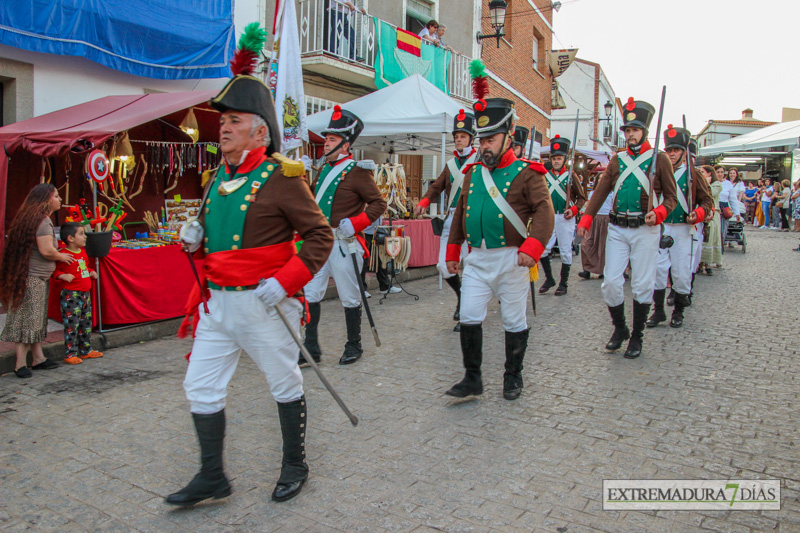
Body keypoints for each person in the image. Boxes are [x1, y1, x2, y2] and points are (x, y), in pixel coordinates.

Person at [167, 44, 334, 506]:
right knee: (199, 385)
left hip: (265, 303)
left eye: (233, 120)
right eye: (222, 121)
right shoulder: (217, 178)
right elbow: (217, 242)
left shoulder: (284, 176)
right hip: (219, 304)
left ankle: (295, 464)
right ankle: (211, 477)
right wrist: (195, 239)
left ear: (259, 130)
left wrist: (285, 283)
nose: (223, 127)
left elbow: (320, 237)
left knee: (284, 383)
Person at [444, 97, 554, 401]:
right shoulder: (472, 173)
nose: (485, 147)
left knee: (514, 320)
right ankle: (472, 378)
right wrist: (453, 250)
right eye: (482, 140)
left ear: (509, 136)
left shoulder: (529, 173)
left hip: (512, 259)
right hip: (477, 258)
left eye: (491, 139)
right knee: (468, 315)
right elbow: (460, 212)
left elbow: (545, 212)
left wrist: (532, 247)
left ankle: (512, 376)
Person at [576, 97, 677, 359]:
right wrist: (586, 218)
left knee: (642, 285)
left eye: (634, 130)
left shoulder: (660, 159)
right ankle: (620, 329)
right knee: (610, 282)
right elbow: (601, 191)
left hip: (645, 228)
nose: (630, 134)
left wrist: (660, 211)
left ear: (644, 131)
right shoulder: (617, 160)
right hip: (618, 227)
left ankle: (637, 336)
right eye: (627, 130)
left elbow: (671, 197)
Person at [302, 105, 387, 366]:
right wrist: (301, 179)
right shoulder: (324, 169)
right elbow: (314, 204)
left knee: (349, 296)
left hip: (343, 242)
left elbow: (378, 204)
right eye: (326, 139)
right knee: (310, 292)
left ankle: (354, 344)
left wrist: (357, 222)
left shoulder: (358, 171)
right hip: (319, 242)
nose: (325, 143)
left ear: (345, 146)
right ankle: (311, 347)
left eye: (331, 140)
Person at [414, 109, 477, 332]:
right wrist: (423, 202)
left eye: (463, 135)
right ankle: (461, 297)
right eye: (456, 136)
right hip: (451, 219)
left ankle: (467, 315)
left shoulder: (479, 162)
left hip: (472, 220)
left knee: (469, 267)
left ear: (471, 137)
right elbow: (436, 186)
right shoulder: (450, 165)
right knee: (443, 265)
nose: (459, 139)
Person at [0, 183, 72, 378]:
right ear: (47, 199)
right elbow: (47, 250)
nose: (59, 199)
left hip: (34, 276)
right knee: (27, 320)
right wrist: (62, 257)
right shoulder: (42, 222)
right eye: (56, 196)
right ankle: (20, 364)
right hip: (33, 278)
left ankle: (38, 357)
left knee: (37, 319)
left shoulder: (34, 219)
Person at [647, 125, 712, 329]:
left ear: (684, 153)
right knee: (657, 270)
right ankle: (658, 311)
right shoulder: (658, 172)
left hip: (684, 228)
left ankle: (679, 311)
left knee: (681, 272)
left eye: (676, 150)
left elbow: (707, 201)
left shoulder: (693, 175)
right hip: (662, 227)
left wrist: (698, 214)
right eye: (669, 150)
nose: (672, 154)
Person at [538, 135, 587, 296]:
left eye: (559, 158)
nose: (556, 161)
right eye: (554, 158)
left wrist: (573, 211)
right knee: (543, 250)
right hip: (550, 216)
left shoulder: (571, 176)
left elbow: (581, 198)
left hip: (565, 217)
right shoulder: (545, 176)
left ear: (564, 159)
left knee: (566, 250)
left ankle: (563, 283)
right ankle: (549, 278)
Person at [53, 223, 103, 364]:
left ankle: (86, 349)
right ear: (70, 238)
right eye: (81, 233)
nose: (85, 236)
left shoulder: (82, 253)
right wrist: (62, 276)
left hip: (85, 293)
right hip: (71, 295)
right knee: (72, 325)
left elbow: (83, 267)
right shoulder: (63, 255)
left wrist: (90, 271)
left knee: (86, 323)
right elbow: (55, 271)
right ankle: (70, 353)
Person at [578, 182, 613, 280]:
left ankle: (603, 270)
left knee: (603, 245)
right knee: (586, 243)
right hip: (594, 219)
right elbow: (589, 205)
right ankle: (587, 269)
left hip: (606, 219)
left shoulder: (612, 193)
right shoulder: (593, 193)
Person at [360, 216, 397, 297]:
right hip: (366, 232)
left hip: (378, 231)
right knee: (363, 261)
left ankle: (385, 286)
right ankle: (362, 289)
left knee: (381, 258)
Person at [699, 165, 722, 274]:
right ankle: (699, 263)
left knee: (710, 238)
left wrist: (705, 182)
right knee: (702, 238)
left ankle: (708, 264)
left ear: (709, 174)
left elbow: (712, 193)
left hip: (714, 214)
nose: (701, 173)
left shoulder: (717, 185)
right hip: (703, 212)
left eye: (703, 172)